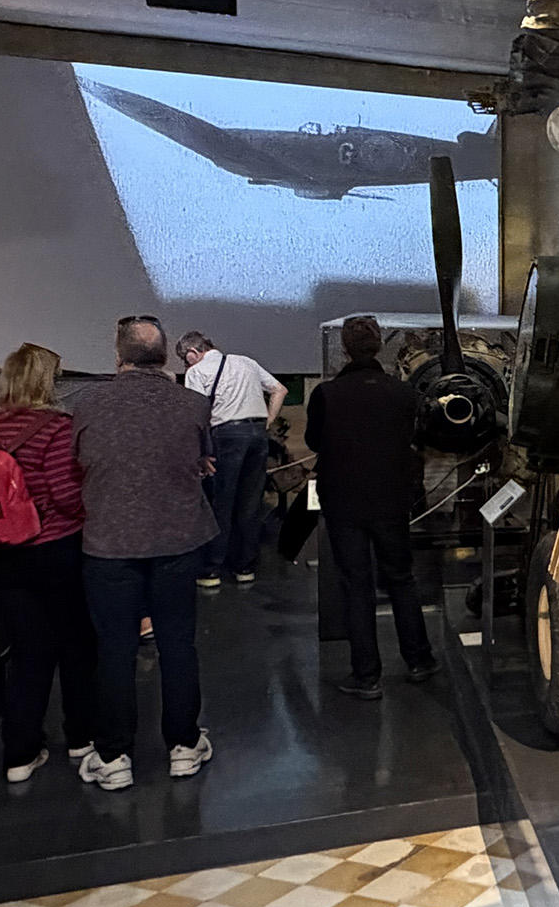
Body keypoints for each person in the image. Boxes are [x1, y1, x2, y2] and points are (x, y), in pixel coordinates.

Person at [64, 315, 216, 787]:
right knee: (178, 644)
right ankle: (184, 746)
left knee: (114, 650)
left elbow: (78, 463)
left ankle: (114, 757)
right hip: (176, 542)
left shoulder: (86, 404)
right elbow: (201, 459)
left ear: (118, 357)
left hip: (108, 544)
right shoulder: (193, 404)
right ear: (166, 355)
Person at [0, 342, 102, 784]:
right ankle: (81, 738)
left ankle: (20, 753)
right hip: (54, 550)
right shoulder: (57, 429)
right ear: (47, 381)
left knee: (26, 653)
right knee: (76, 646)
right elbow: (67, 497)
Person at [302, 315, 435, 700]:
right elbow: (415, 437)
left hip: (344, 502)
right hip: (392, 500)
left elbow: (313, 441)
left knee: (356, 586)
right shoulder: (403, 393)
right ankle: (420, 660)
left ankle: (367, 675)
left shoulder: (327, 394)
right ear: (379, 346)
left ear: (344, 348)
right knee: (401, 579)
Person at [178, 330, 283, 590]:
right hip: (257, 433)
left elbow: (195, 414)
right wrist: (267, 421)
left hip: (225, 436)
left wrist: (200, 452)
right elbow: (279, 390)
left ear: (192, 353)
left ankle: (212, 569)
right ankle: (245, 567)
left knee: (220, 504)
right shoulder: (246, 362)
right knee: (250, 503)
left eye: (184, 360)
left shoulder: (196, 372)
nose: (186, 366)